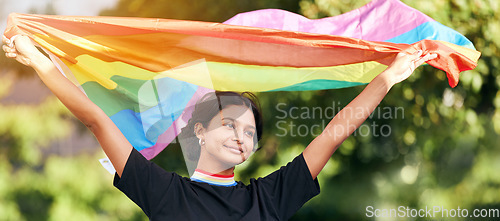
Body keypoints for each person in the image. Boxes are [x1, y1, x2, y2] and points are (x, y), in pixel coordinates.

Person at [3, 35, 437, 220]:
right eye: (229, 125)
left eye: (249, 133)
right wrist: (40, 60)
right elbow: (96, 118)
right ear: (199, 133)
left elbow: (334, 133)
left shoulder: (268, 199)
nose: (240, 136)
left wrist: (389, 77)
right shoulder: (166, 194)